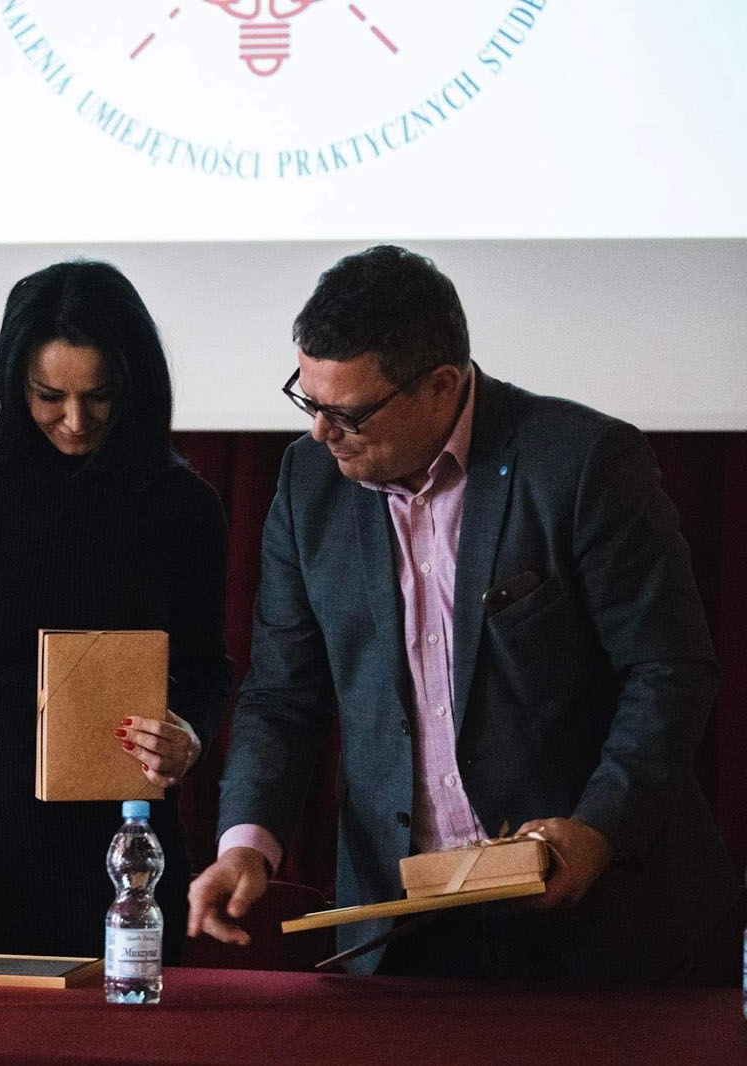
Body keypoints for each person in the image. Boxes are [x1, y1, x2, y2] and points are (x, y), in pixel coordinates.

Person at [188, 245, 741, 982]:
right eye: (308, 401)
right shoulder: (307, 482)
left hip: (597, 915)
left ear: (442, 385)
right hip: (405, 924)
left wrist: (599, 830)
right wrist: (246, 844)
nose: (321, 432)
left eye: (346, 413)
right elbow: (282, 692)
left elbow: (668, 671)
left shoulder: (581, 463)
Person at [0, 260, 231, 958]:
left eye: (100, 396)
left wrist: (192, 734)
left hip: (128, 856)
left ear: (136, 385)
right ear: (13, 383)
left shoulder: (184, 506)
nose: (76, 421)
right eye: (49, 396)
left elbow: (208, 669)